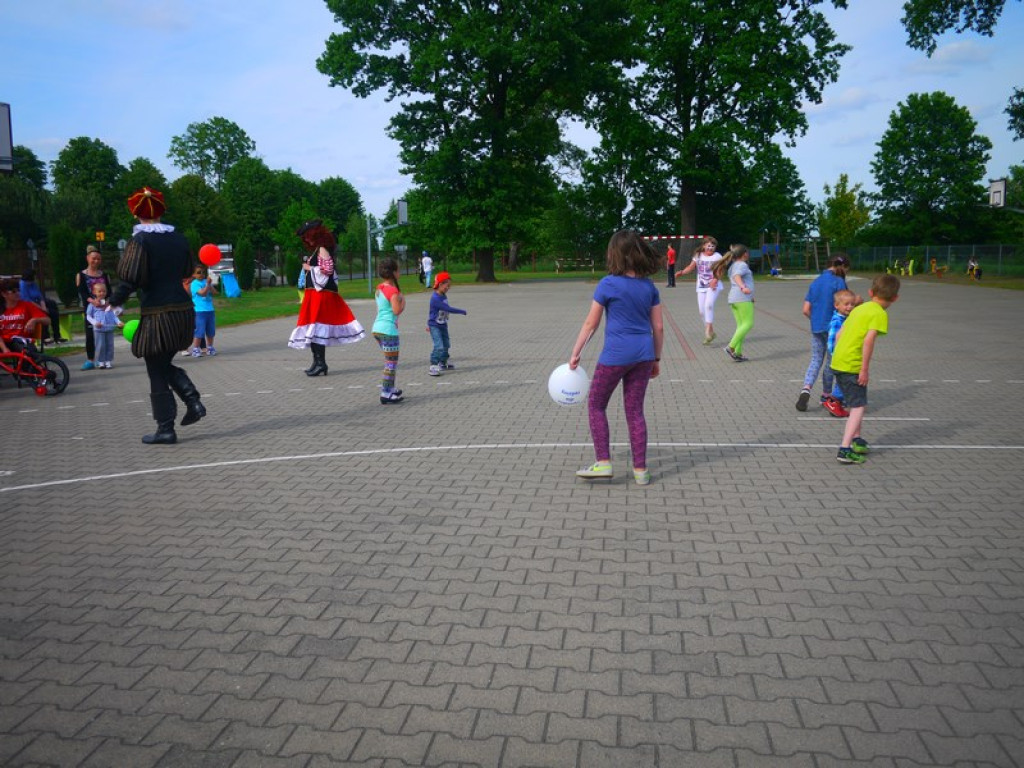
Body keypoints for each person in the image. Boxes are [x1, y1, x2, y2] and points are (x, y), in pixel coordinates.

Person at [109, 187, 207, 445]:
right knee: (161, 365)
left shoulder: (140, 240)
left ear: (136, 212)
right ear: (160, 210)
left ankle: (166, 428)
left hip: (158, 314)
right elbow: (187, 269)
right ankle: (192, 402)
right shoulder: (178, 238)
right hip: (183, 311)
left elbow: (131, 277)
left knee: (156, 369)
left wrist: (115, 301)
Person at [570, 230, 664, 486]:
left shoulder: (608, 284)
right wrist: (656, 359)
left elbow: (591, 323)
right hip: (643, 356)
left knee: (596, 405)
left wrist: (576, 352)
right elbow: (658, 327)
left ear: (615, 254)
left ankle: (603, 463)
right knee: (635, 412)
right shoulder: (649, 286)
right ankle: (641, 471)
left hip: (615, 356)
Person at [830, 274, 900, 464]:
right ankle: (844, 449)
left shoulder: (859, 309)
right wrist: (864, 369)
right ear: (895, 298)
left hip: (838, 362)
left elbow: (839, 334)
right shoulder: (879, 313)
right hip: (852, 365)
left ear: (870, 292)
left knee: (855, 403)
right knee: (859, 406)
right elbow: (868, 341)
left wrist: (838, 355)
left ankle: (857, 440)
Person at [289, 219, 365, 376]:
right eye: (305, 237)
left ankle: (320, 363)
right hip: (314, 294)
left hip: (320, 295)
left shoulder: (322, 249)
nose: (306, 239)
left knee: (316, 328)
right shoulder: (318, 250)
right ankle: (318, 362)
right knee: (313, 329)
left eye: (308, 236)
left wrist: (309, 267)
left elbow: (328, 270)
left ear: (315, 235)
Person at [795, 254, 849, 412]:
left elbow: (805, 310)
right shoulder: (839, 282)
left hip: (816, 327)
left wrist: (816, 319)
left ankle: (806, 388)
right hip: (834, 328)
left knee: (816, 359)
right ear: (843, 267)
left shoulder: (816, 282)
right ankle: (826, 394)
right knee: (831, 362)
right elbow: (845, 306)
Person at [674, 237, 723, 345]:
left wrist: (715, 279)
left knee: (708, 305)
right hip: (701, 286)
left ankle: (707, 331)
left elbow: (720, 270)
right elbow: (691, 267)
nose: (711, 248)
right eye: (709, 246)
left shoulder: (717, 256)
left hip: (713, 285)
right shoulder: (698, 256)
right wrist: (681, 272)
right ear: (704, 246)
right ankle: (711, 332)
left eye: (713, 246)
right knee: (701, 311)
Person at [372, 258, 405, 404]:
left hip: (377, 329)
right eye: (398, 270)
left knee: (390, 361)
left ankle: (390, 389)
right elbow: (396, 310)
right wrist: (402, 301)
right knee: (390, 363)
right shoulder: (392, 290)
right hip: (388, 330)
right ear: (392, 272)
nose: (400, 272)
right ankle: (385, 392)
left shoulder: (380, 288)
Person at [822, 289, 859, 418]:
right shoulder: (837, 321)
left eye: (852, 304)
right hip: (839, 356)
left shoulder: (846, 318)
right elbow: (832, 340)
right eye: (846, 304)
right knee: (843, 381)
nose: (849, 307)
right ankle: (833, 401)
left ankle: (837, 402)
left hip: (844, 355)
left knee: (842, 380)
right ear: (837, 305)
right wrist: (835, 354)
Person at [76, 245, 112, 370]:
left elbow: (110, 292)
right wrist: (93, 301)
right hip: (91, 310)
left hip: (104, 311)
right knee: (90, 334)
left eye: (98, 259)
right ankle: (90, 359)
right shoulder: (81, 275)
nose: (96, 261)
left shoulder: (104, 275)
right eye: (93, 258)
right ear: (87, 258)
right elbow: (82, 292)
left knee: (104, 336)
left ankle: (103, 359)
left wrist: (107, 302)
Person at [716, 244, 754, 362]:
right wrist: (743, 288)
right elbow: (737, 277)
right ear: (744, 254)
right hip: (741, 297)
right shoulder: (741, 265)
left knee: (741, 326)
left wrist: (751, 296)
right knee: (748, 324)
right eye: (747, 252)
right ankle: (731, 347)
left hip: (734, 298)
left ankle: (737, 353)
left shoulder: (733, 265)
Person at [426, 272, 467, 376]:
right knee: (439, 346)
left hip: (442, 324)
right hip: (434, 325)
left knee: (446, 345)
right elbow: (448, 309)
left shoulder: (443, 295)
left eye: (449, 285)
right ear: (440, 284)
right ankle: (433, 365)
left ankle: (443, 363)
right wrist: (461, 311)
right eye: (447, 285)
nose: (448, 288)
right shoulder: (435, 298)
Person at [0, 277, 50, 357]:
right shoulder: (1, 309)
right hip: (3, 342)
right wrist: (4, 348)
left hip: (20, 341)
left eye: (19, 290)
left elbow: (47, 320)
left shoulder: (26, 305)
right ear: (4, 294)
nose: (18, 293)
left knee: (27, 353)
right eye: (13, 291)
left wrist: (34, 320)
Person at [19, 269, 64, 344]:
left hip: (38, 302)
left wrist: (44, 307)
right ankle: (45, 336)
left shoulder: (33, 284)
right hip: (29, 305)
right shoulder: (22, 285)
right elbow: (27, 300)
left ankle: (57, 336)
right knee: (43, 314)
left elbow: (40, 297)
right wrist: (41, 309)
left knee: (53, 310)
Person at [85, 282, 123, 369]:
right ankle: (101, 362)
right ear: (94, 292)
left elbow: (113, 315)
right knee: (100, 346)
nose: (102, 293)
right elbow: (88, 316)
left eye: (104, 291)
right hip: (98, 330)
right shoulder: (92, 305)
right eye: (99, 291)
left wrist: (118, 322)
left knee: (109, 345)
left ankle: (108, 361)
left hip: (109, 328)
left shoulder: (108, 304)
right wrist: (95, 323)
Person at [187, 264, 217, 357]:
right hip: (199, 311)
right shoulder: (194, 284)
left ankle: (210, 347)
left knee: (211, 331)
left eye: (203, 272)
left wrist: (210, 284)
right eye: (198, 272)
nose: (201, 274)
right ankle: (196, 349)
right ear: (193, 275)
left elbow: (215, 293)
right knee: (200, 331)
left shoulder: (205, 281)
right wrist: (207, 285)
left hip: (210, 310)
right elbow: (202, 293)